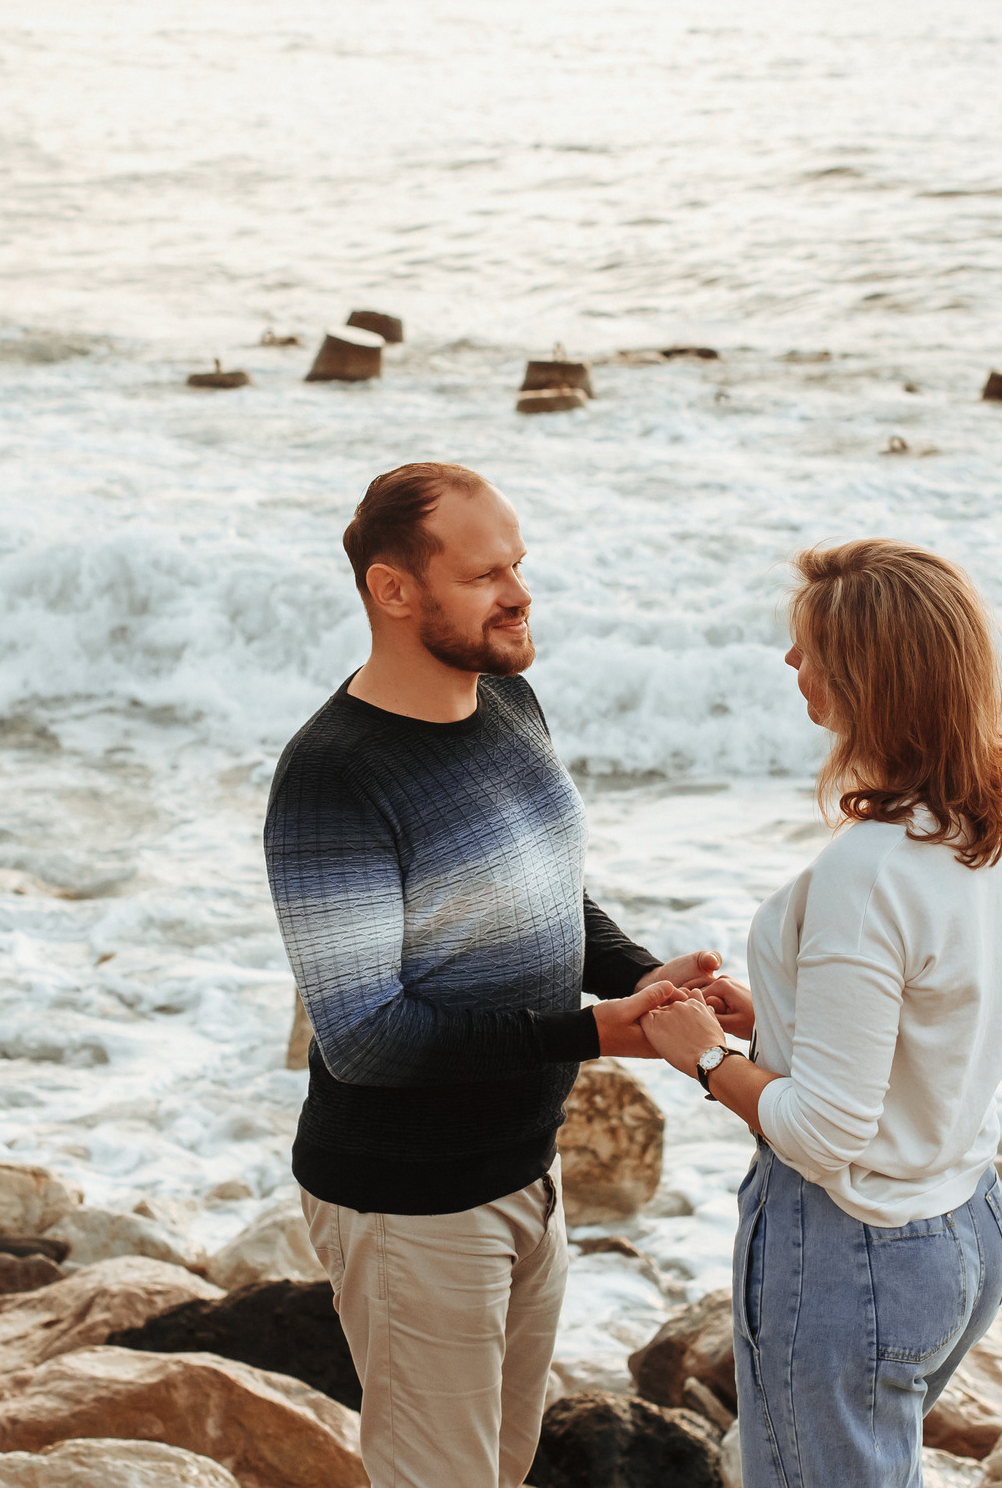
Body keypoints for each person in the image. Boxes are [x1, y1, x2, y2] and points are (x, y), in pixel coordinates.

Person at [266, 462, 743, 1488]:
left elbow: (546, 890)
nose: (520, 593)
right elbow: (366, 1037)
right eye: (487, 574)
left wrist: (641, 977)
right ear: (394, 590)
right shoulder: (333, 776)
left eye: (519, 564)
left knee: (504, 1465)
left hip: (528, 1168)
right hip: (410, 1203)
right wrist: (595, 1032)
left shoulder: (510, 702)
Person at [641, 538, 1002, 1488]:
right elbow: (935, 1013)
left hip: (851, 1250)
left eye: (810, 648)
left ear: (869, 677)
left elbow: (825, 1131)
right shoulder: (989, 822)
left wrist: (706, 1060)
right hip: (963, 1226)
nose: (790, 661)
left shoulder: (869, 868)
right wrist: (770, 1017)